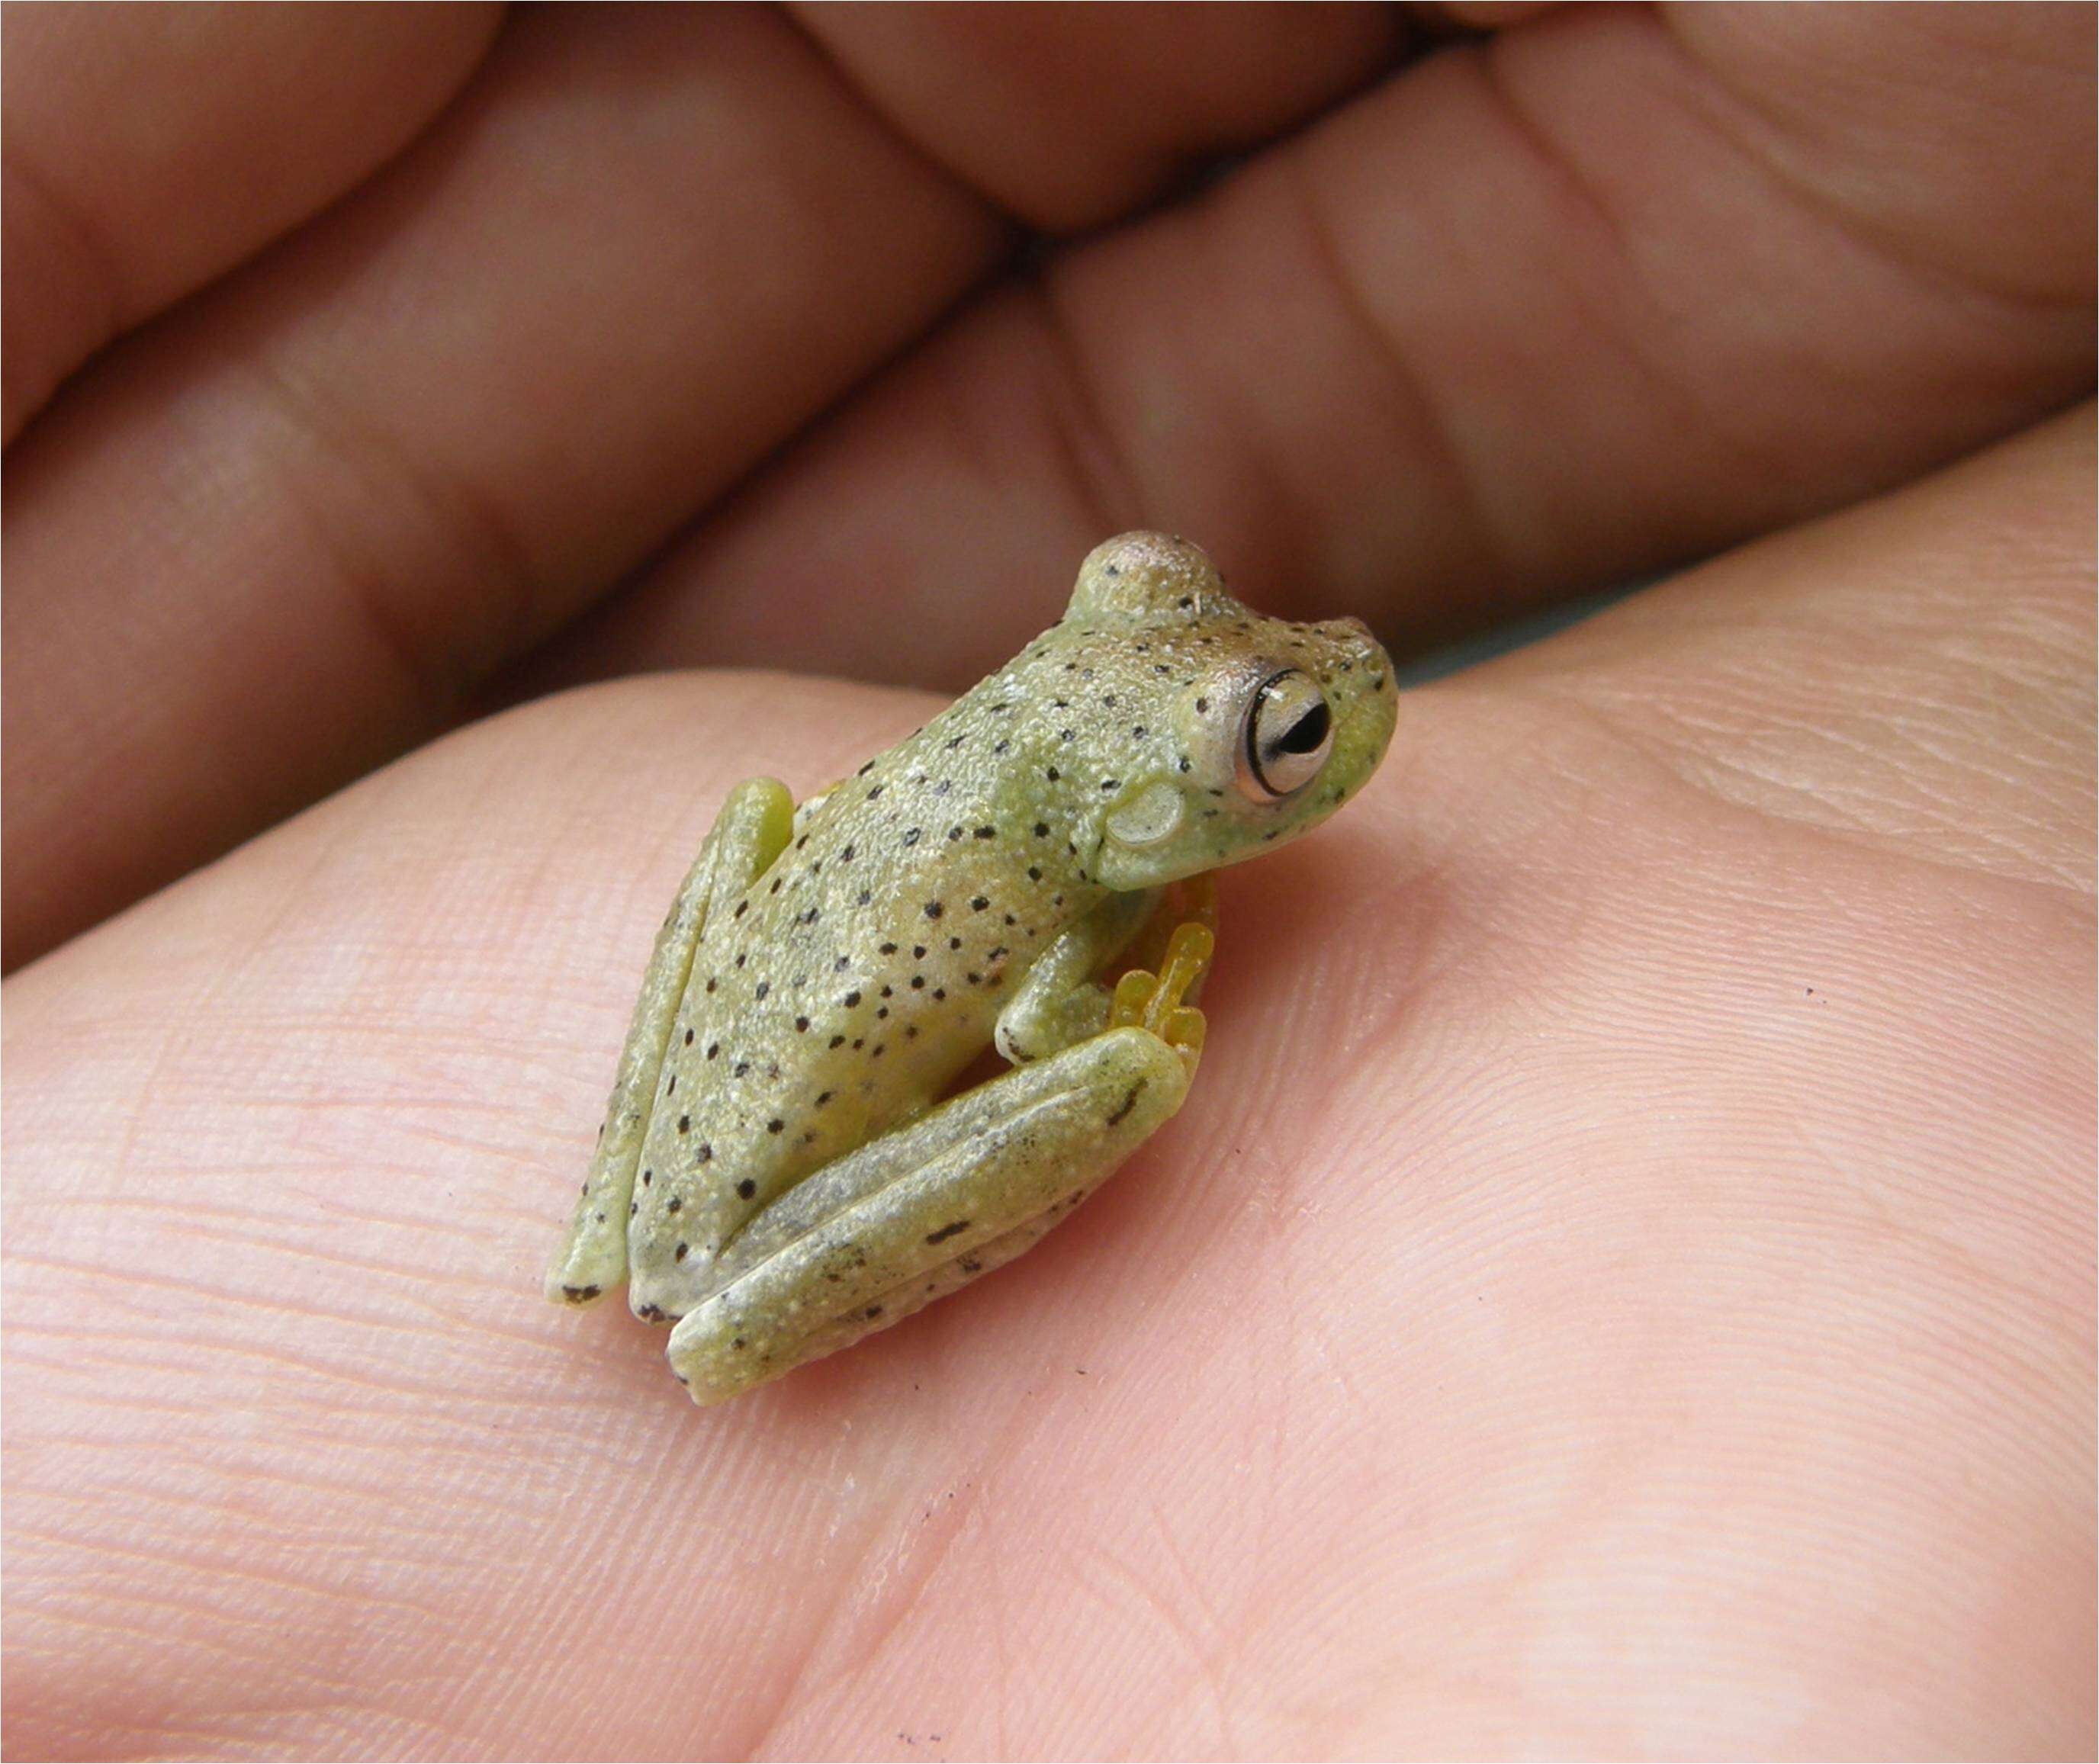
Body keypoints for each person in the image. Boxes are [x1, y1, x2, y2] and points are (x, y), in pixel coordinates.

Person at [5, 5, 2091, 1755]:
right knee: (1110, 1071)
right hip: (777, 1197)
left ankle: (627, 1228)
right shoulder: (1091, 883)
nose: (1311, 687)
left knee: (762, 822)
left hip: (803, 995)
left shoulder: (1068, 727)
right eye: (1266, 740)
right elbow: (1032, 1022)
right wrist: (1113, 1028)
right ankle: (695, 1245)